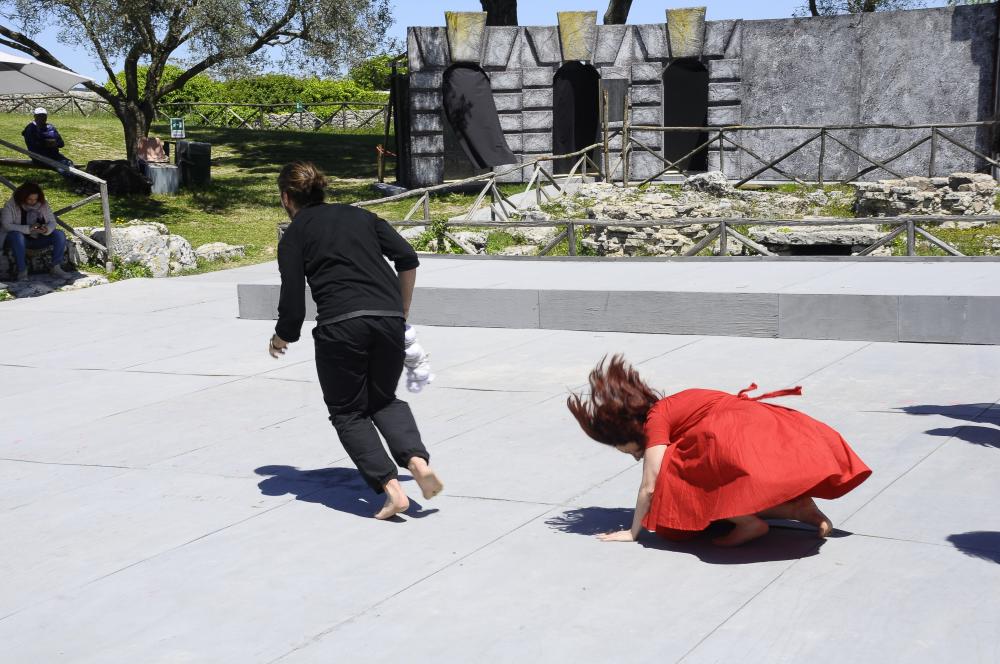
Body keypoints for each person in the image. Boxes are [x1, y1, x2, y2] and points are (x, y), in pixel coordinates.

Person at [268, 160, 443, 520]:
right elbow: (407, 258)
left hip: (341, 327)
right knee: (383, 400)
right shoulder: (361, 216)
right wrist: (400, 311)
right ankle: (417, 462)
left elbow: (292, 299)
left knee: (348, 411)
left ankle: (392, 490)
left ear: (287, 198)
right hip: (388, 321)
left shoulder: (295, 234)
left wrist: (282, 337)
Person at [567, 355, 872, 546]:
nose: (635, 456)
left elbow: (650, 484)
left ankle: (748, 522)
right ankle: (797, 509)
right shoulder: (670, 407)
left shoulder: (655, 422)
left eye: (629, 451)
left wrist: (633, 533)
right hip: (754, 421)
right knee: (695, 462)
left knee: (674, 473)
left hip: (732, 431)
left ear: (630, 431)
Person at [1, 182, 69, 281]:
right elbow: (6, 225)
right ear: (22, 197)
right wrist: (29, 228)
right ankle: (22, 271)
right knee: (17, 236)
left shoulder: (43, 204)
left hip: (38, 238)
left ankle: (56, 267)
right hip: (19, 240)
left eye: (35, 199)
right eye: (29, 199)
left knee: (59, 234)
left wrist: (46, 229)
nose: (33, 202)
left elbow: (52, 222)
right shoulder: (11, 205)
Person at [21, 108, 73, 173]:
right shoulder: (30, 128)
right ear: (35, 117)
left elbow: (61, 143)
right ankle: (77, 180)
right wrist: (48, 143)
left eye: (44, 116)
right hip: (39, 157)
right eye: (39, 116)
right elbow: (33, 145)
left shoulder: (51, 127)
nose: (42, 118)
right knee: (61, 166)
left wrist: (56, 144)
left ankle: (79, 179)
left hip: (54, 155)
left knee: (69, 162)